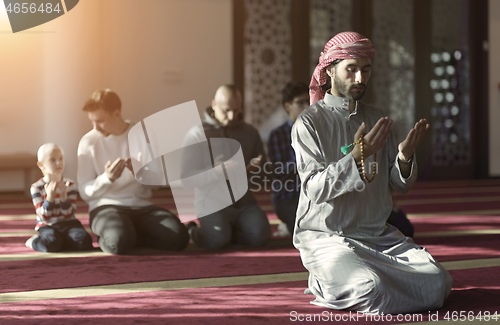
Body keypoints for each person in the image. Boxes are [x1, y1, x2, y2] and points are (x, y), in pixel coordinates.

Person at [291, 32, 452, 314]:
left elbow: (397, 184)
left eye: (365, 70)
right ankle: (326, 279)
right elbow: (315, 188)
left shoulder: (376, 117)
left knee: (438, 283)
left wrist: (404, 157)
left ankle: (345, 278)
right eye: (351, 69)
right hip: (329, 237)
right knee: (370, 289)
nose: (360, 78)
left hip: (378, 237)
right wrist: (355, 156)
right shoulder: (309, 123)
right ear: (329, 70)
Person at [77, 89, 189, 255]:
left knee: (180, 238)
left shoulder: (144, 134)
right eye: (92, 121)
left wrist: (141, 173)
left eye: (100, 121)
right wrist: (107, 178)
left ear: (117, 113)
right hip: (106, 207)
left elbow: (157, 184)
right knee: (118, 243)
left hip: (141, 207)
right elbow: (85, 192)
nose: (95, 127)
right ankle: (126, 235)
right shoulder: (88, 141)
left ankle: (131, 234)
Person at [185, 84, 271, 250]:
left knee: (261, 235)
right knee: (217, 240)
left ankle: (229, 232)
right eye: (226, 110)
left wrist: (256, 170)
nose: (232, 116)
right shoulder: (197, 134)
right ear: (214, 105)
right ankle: (193, 231)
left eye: (236, 110)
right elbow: (187, 179)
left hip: (243, 203)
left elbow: (264, 178)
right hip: (211, 203)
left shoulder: (250, 132)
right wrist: (215, 172)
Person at [26, 143, 93, 252]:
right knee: (51, 244)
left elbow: (69, 214)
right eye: (52, 160)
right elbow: (44, 217)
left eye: (61, 159)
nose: (58, 163)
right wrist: (50, 198)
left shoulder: (70, 184)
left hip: (69, 223)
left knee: (84, 242)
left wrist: (63, 198)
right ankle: (33, 241)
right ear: (41, 165)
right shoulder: (36, 188)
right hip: (48, 225)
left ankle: (61, 241)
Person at [267, 81, 309, 236]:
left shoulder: (317, 132)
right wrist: (306, 157)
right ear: (287, 106)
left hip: (314, 195)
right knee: (305, 229)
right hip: (288, 197)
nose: (306, 106)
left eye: (308, 101)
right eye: (300, 102)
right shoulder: (277, 135)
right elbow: (280, 173)